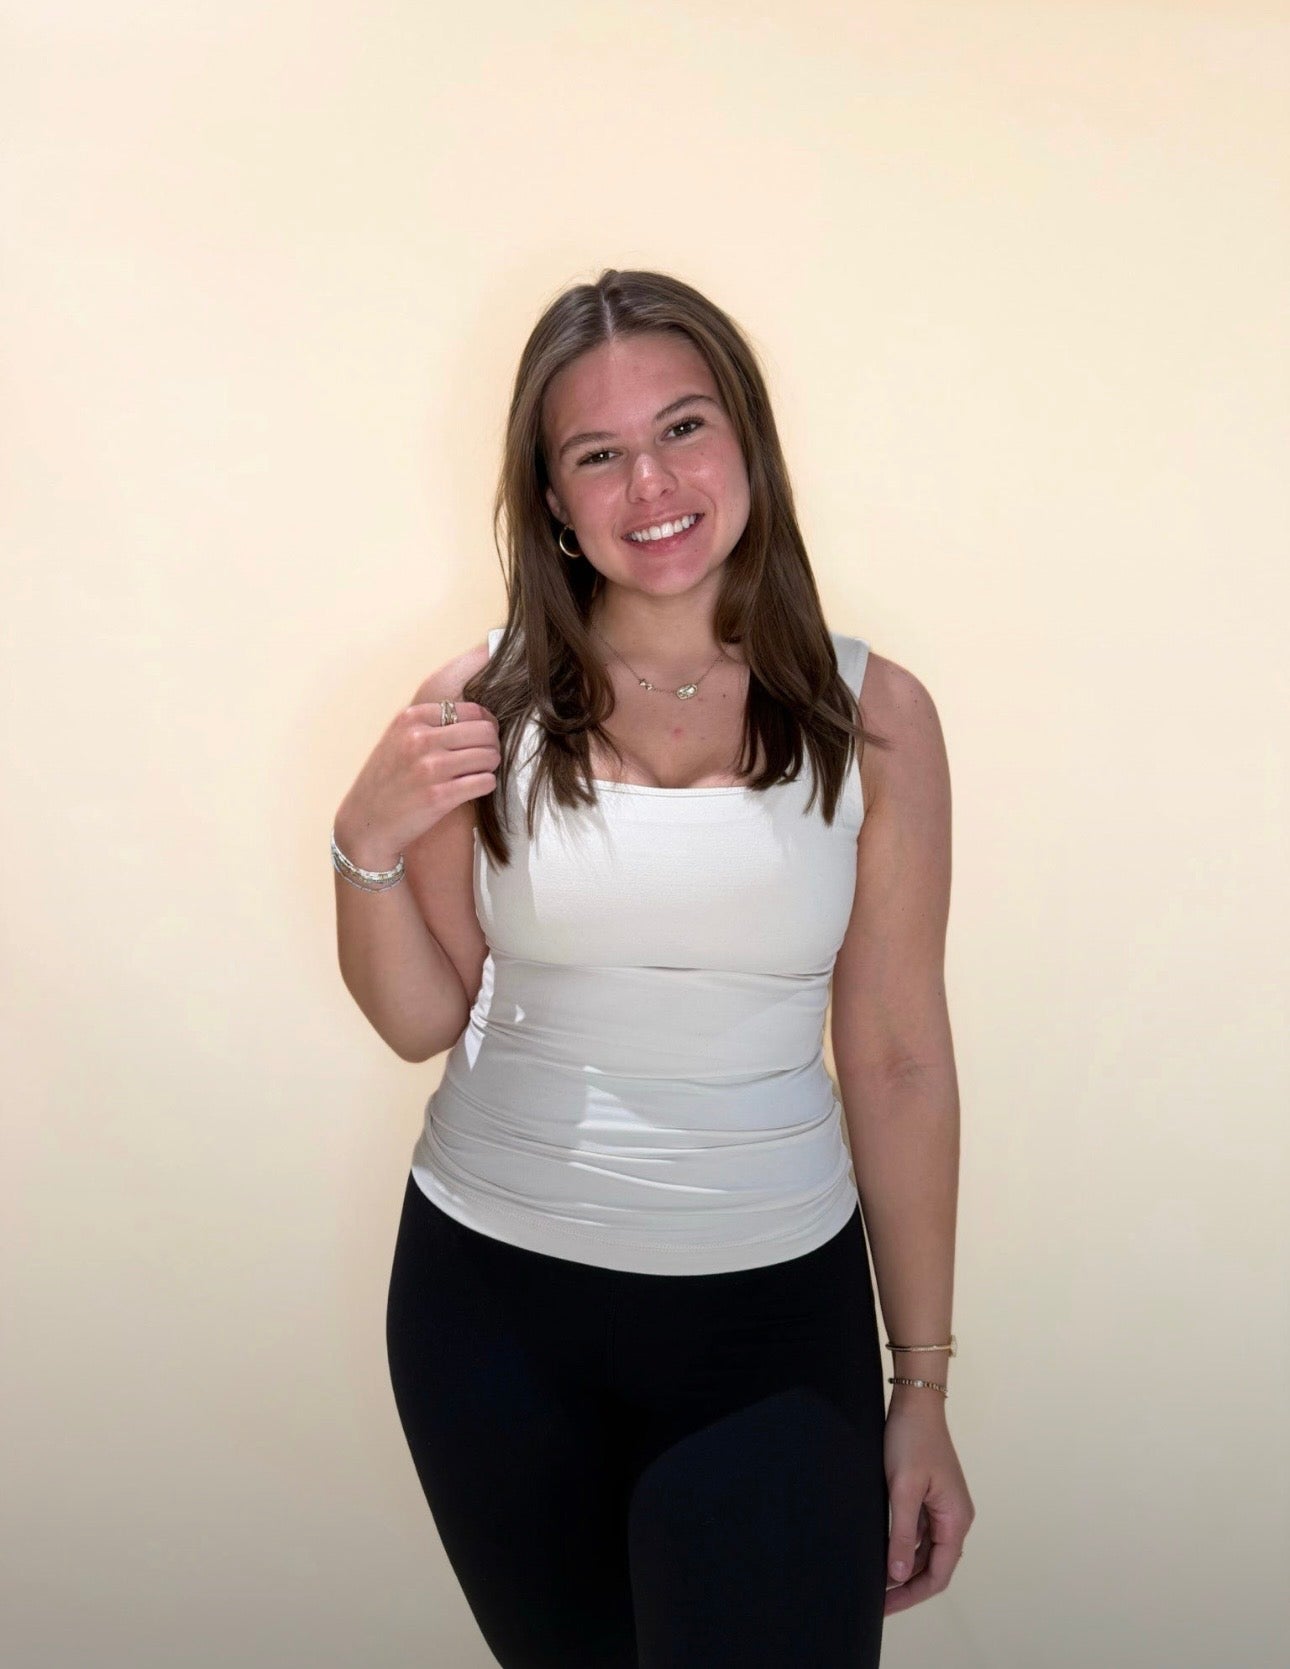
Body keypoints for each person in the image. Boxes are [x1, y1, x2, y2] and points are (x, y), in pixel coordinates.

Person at [333, 268, 973, 1667]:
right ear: (551, 501)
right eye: (598, 453)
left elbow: (897, 1059)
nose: (652, 485)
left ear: (746, 440)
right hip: (492, 1316)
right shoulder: (478, 706)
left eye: (683, 428)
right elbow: (424, 1015)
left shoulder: (874, 717)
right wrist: (360, 846)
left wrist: (919, 1383)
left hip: (770, 1322)